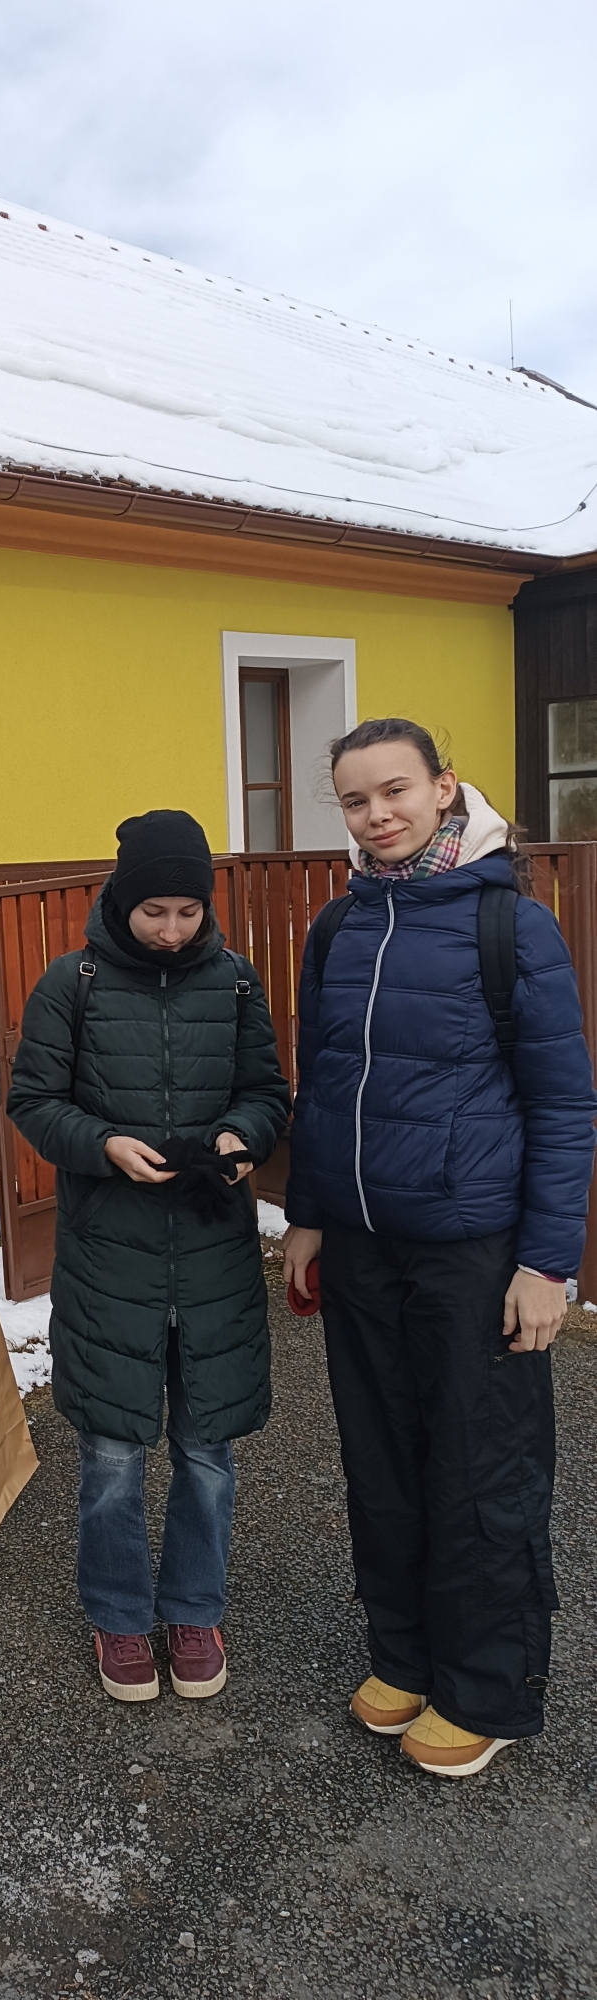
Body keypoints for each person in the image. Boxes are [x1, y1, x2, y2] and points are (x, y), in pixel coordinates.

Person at [282, 717, 597, 1778]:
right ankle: (406, 1657)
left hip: (474, 1248)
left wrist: (547, 1264)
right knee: (381, 1463)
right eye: (356, 799)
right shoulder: (340, 924)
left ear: (444, 788)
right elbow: (327, 1084)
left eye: (395, 791)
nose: (377, 814)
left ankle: (484, 1688)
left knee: (479, 1470)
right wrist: (310, 1213)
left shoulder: (511, 924)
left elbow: (564, 1105)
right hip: (365, 1247)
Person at [6, 811, 290, 1703]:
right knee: (112, 1454)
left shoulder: (236, 981)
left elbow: (266, 1092)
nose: (171, 929)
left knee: (207, 1453)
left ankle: (195, 1609)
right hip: (109, 1258)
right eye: (154, 911)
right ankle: (121, 1616)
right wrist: (103, 1144)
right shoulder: (73, 983)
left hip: (213, 1256)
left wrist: (243, 1135)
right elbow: (33, 1100)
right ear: (122, 901)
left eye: (188, 912)